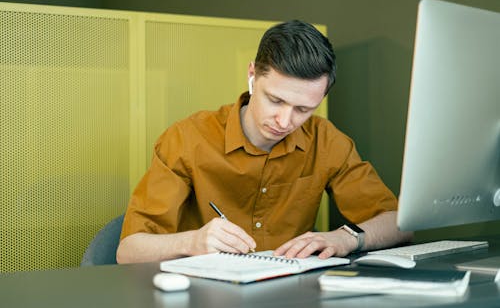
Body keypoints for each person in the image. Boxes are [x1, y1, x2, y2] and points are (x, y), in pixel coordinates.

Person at [116, 20, 412, 264]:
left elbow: (398, 223)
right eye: (275, 100)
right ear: (252, 76)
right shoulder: (187, 138)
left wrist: (346, 238)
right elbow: (128, 251)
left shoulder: (326, 140)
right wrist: (192, 241)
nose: (285, 121)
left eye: (303, 110)